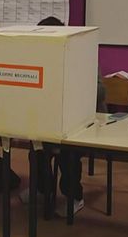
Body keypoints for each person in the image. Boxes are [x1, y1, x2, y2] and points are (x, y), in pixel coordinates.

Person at [18, 16, 107, 217]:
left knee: (69, 155)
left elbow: (100, 92)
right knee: (36, 151)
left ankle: (74, 196)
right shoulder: (37, 59)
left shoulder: (82, 57)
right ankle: (42, 190)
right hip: (50, 120)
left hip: (81, 122)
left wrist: (72, 85)